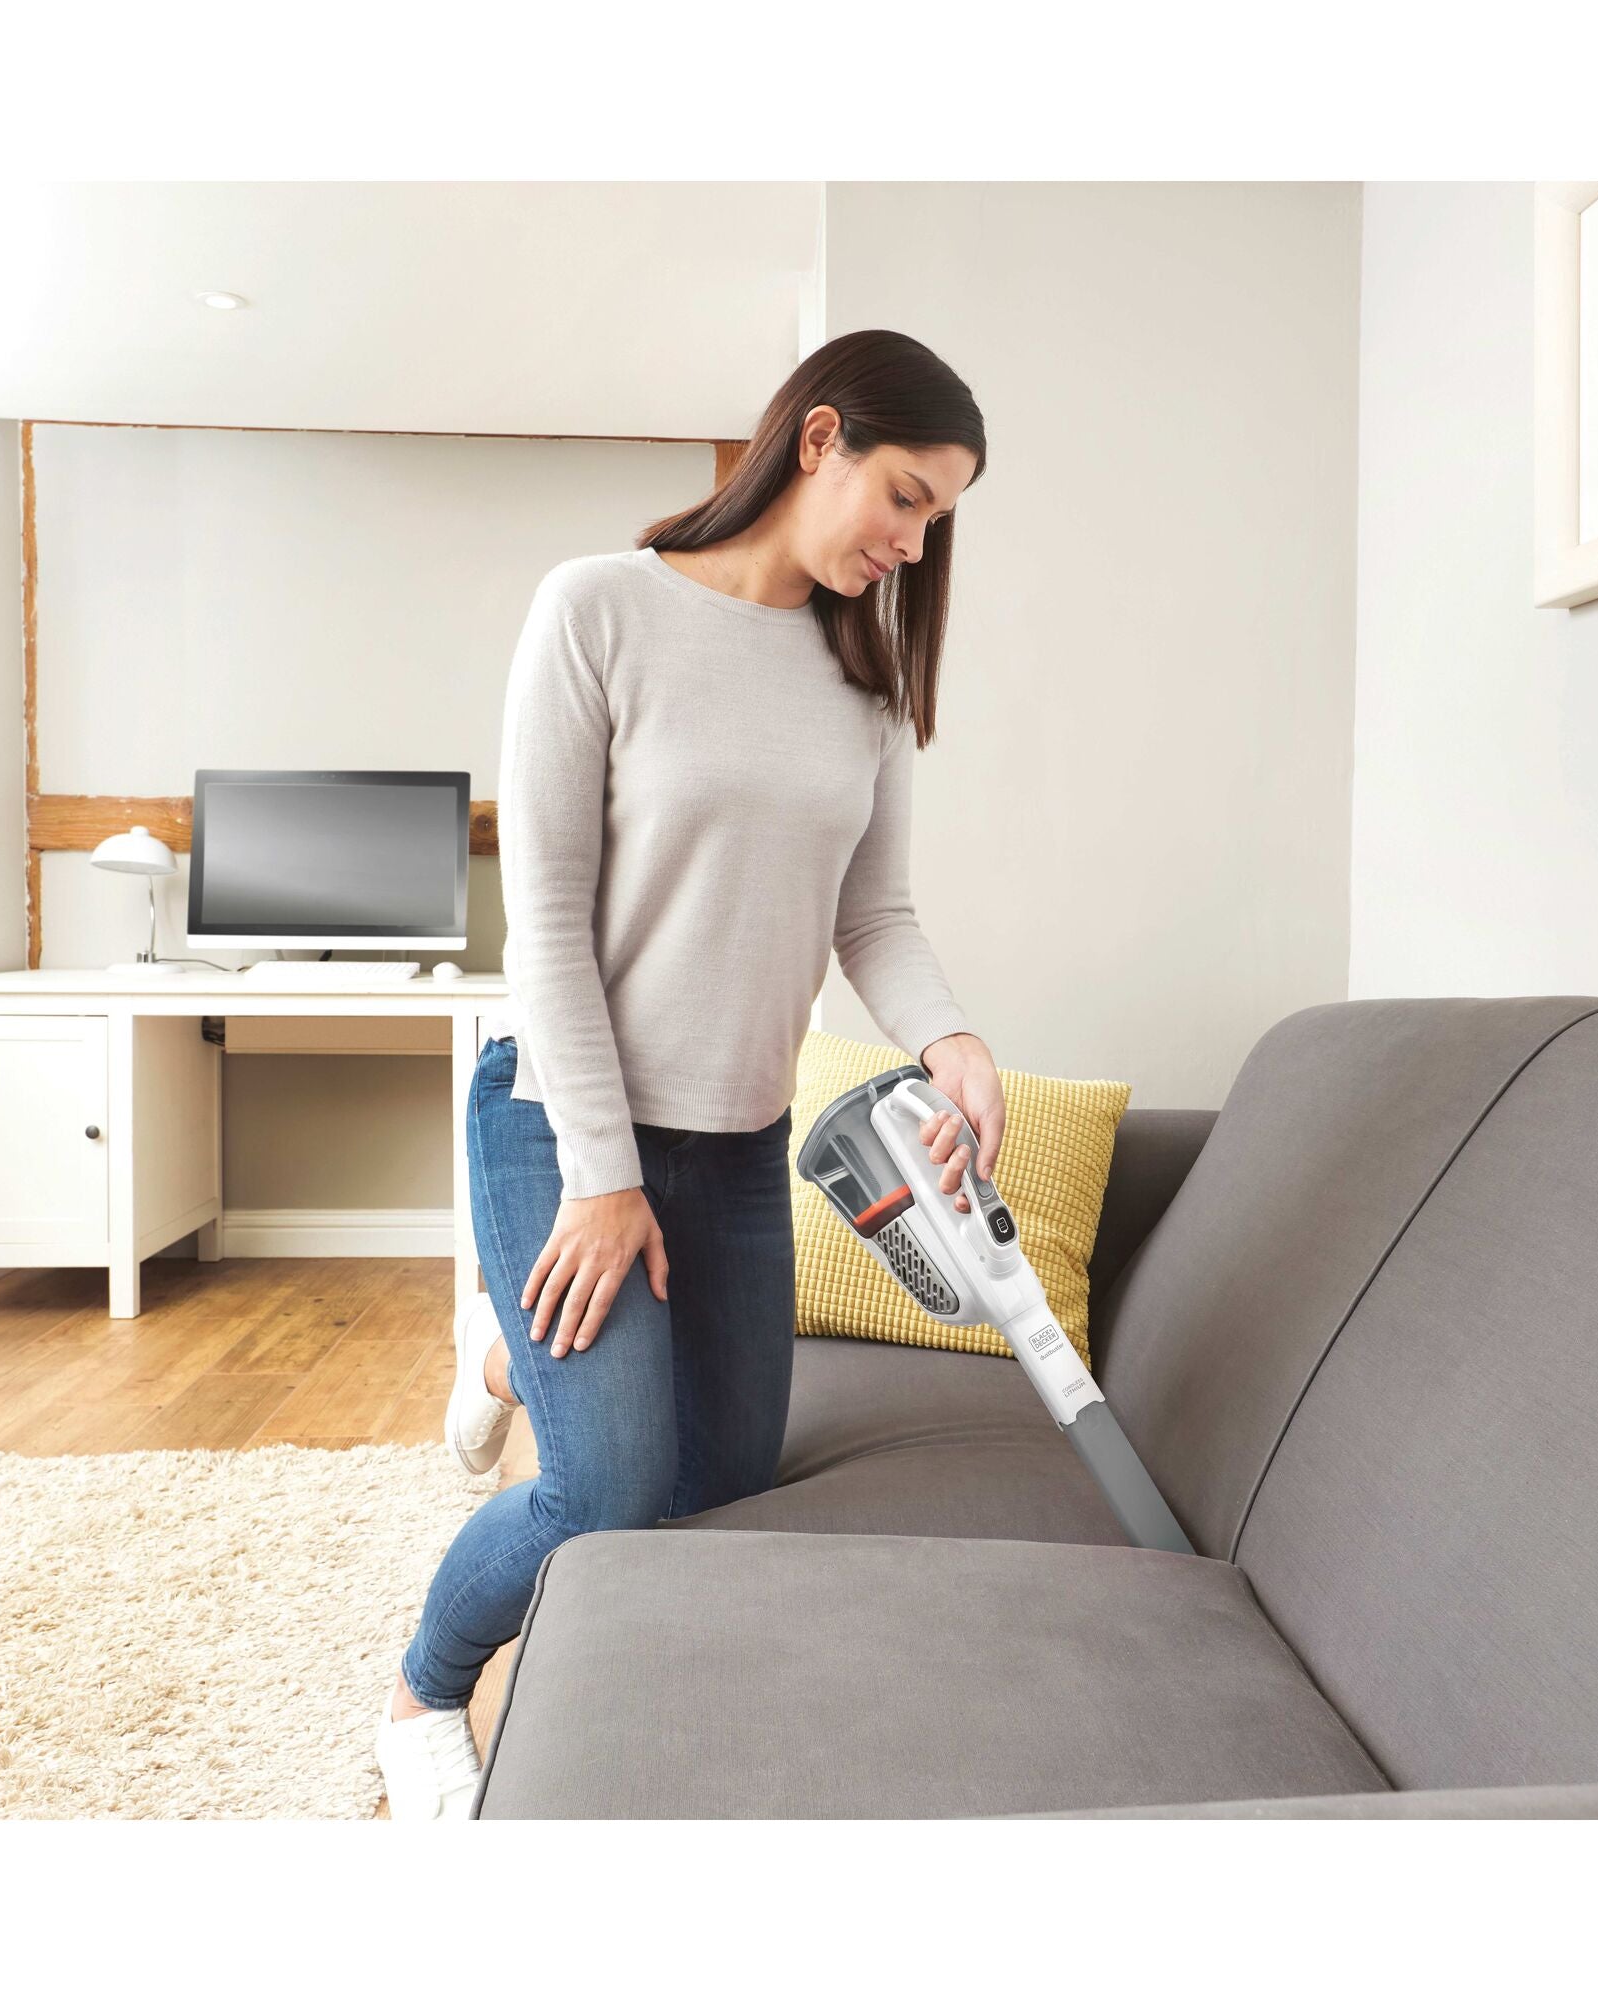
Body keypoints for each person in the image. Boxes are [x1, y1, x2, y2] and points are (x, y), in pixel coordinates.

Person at [374, 329, 1001, 1819]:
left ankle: (500, 1352)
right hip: (560, 1123)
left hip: (735, 1149)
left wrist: (957, 1041)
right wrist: (599, 1180)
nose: (913, 543)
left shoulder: (864, 675)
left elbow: (876, 915)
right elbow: (546, 925)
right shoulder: (596, 610)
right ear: (820, 439)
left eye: (938, 521)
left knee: (718, 1496)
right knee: (609, 1499)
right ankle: (417, 1691)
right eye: (905, 498)